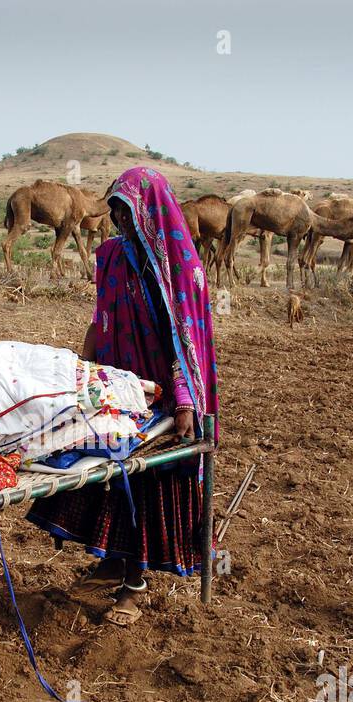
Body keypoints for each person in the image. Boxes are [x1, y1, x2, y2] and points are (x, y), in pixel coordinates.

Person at [26, 167, 218, 626]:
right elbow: (99, 319)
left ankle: (135, 583)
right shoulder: (109, 256)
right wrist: (81, 373)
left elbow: (185, 337)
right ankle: (114, 561)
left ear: (150, 211)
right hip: (116, 387)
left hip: (165, 396)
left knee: (147, 481)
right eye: (114, 210)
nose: (119, 220)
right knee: (107, 473)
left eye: (128, 211)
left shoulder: (179, 268)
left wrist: (187, 401)